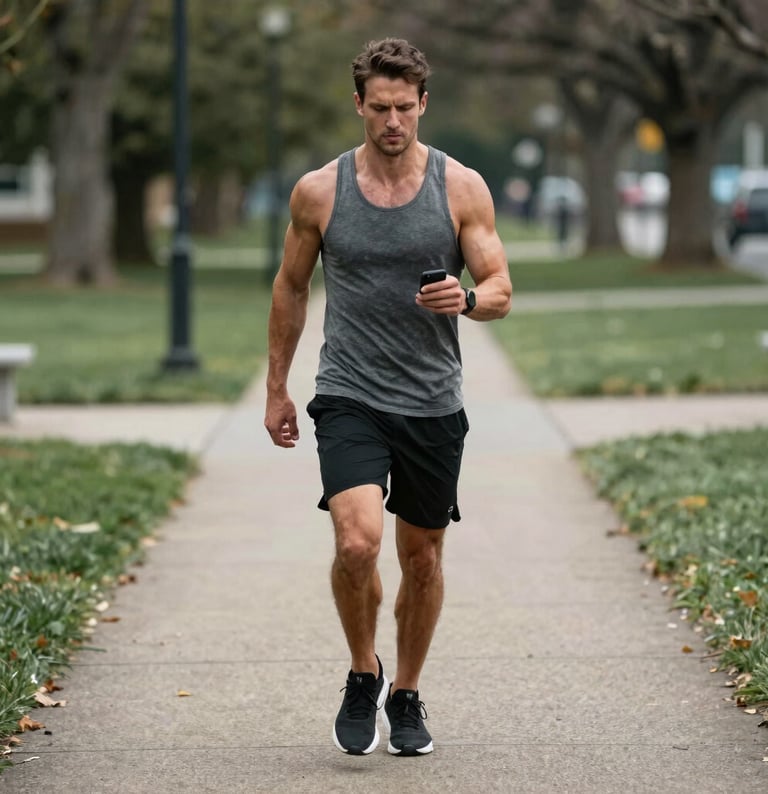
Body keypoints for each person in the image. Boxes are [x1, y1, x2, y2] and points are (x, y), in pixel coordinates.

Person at [264, 37, 512, 757]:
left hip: (432, 400)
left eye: (405, 107)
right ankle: (362, 672)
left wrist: (466, 299)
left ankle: (405, 692)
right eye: (380, 108)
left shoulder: (461, 188)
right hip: (350, 392)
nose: (393, 121)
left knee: (422, 559)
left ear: (423, 103)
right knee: (356, 542)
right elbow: (290, 287)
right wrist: (278, 387)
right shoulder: (320, 191)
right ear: (359, 106)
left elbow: (500, 288)